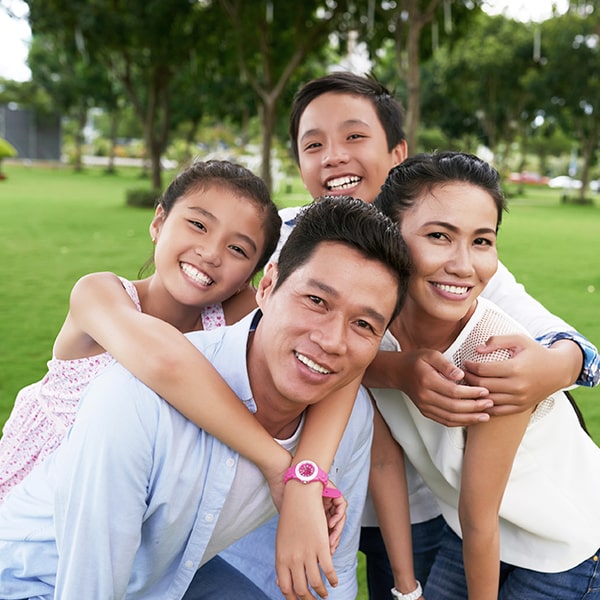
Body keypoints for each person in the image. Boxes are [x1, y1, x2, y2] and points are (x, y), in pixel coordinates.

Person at [227, 71, 600, 599]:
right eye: (314, 143)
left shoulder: (454, 268)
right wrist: (393, 371)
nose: (334, 155)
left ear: (396, 152)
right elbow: (245, 333)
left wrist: (555, 368)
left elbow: (556, 338)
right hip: (310, 482)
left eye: (354, 136)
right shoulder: (289, 237)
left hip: (446, 510)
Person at [0, 196, 412, 600]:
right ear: (266, 287)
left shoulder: (345, 417)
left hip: (167, 574)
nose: (332, 341)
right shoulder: (134, 401)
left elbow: (330, 578)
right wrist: (284, 469)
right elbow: (89, 587)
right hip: (37, 580)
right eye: (316, 301)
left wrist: (304, 480)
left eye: (362, 324)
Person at [370, 151, 600, 600]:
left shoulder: (493, 355)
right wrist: (406, 587)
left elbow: (481, 518)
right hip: (473, 529)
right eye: (439, 235)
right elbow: (383, 463)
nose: (463, 265)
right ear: (389, 237)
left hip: (568, 544)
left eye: (482, 241)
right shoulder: (370, 333)